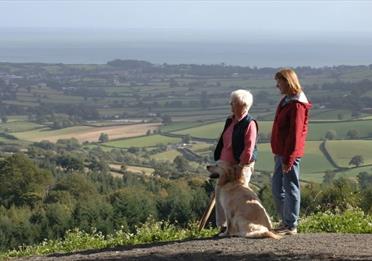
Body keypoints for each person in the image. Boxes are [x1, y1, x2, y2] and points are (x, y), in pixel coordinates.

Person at [271, 68, 312, 235]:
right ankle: (286, 221)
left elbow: (295, 135)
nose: (277, 86)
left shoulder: (296, 105)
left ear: (287, 82)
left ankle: (290, 224)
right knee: (277, 187)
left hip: (289, 154)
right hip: (281, 153)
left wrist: (289, 158)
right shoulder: (287, 100)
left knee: (290, 187)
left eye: (279, 82)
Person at [213, 89, 258, 235]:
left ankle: (240, 225)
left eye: (233, 103)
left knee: (239, 195)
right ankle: (224, 226)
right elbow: (224, 142)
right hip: (226, 165)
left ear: (242, 105)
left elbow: (248, 149)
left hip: (241, 165)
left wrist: (240, 167)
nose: (230, 105)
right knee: (220, 192)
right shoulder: (230, 120)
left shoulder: (249, 123)